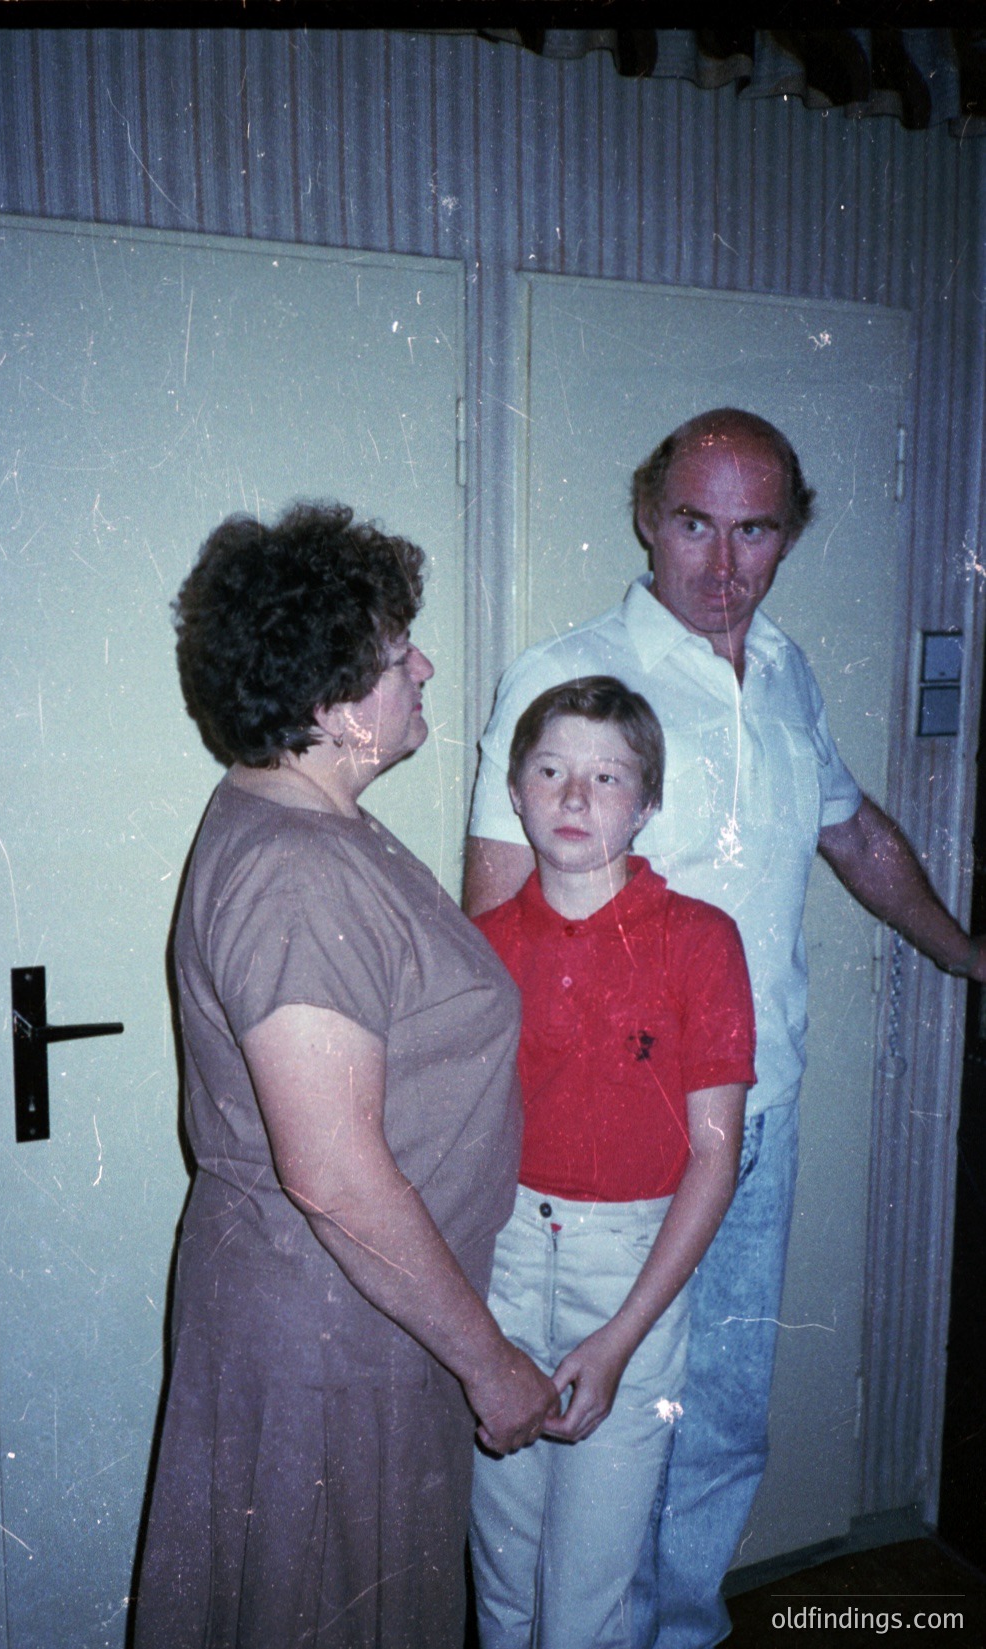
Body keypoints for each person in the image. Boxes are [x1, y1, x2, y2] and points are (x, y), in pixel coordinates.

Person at [463, 409, 986, 1649]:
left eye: (753, 530)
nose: (719, 561)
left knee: (718, 1421)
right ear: (647, 514)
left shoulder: (790, 674)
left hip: (751, 1122)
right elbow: (489, 928)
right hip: (611, 1159)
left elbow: (852, 836)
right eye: (693, 522)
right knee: (596, 1439)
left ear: (785, 535)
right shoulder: (564, 674)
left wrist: (966, 953)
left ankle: (679, 1634)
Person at [132, 503, 558, 1649]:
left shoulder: (314, 826)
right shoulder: (299, 875)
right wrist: (490, 1363)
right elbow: (331, 1173)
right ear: (327, 705)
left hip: (344, 1311)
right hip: (333, 1331)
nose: (422, 664)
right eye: (393, 650)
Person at [468, 677, 756, 1649]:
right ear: (513, 790)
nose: (575, 797)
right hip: (499, 1257)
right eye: (550, 770)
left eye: (606, 775)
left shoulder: (699, 941)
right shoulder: (477, 948)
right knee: (501, 1578)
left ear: (646, 802)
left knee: (587, 1595)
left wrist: (622, 1334)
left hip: (629, 1271)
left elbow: (713, 1158)